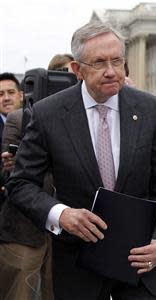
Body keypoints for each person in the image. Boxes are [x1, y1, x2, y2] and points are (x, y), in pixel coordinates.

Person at [7, 21, 156, 300]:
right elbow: (21, 184)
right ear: (77, 69)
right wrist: (61, 214)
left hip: (141, 267)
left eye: (117, 61)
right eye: (99, 62)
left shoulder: (152, 109)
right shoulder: (48, 114)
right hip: (78, 268)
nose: (112, 71)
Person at [0, 53, 76, 300]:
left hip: (68, 236)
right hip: (24, 231)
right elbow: (14, 175)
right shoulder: (20, 119)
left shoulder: (83, 123)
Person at [0, 72, 23, 204]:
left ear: (21, 95)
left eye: (11, 92)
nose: (6, 98)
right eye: (0, 94)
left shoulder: (35, 123)